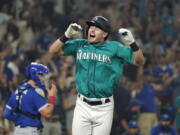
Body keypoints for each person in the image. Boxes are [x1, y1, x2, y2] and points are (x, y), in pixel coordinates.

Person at [49, 16, 145, 135]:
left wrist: (132, 44)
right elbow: (53, 50)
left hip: (103, 107)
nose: (91, 30)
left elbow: (139, 61)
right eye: (90, 27)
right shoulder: (80, 44)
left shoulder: (114, 47)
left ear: (105, 34)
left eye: (96, 28)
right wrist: (66, 36)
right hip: (82, 104)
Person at [3, 62, 57, 135]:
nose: (44, 78)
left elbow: (6, 114)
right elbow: (47, 113)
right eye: (42, 75)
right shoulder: (35, 92)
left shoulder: (17, 91)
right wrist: (52, 97)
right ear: (35, 75)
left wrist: (21, 119)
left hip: (17, 131)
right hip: (30, 131)